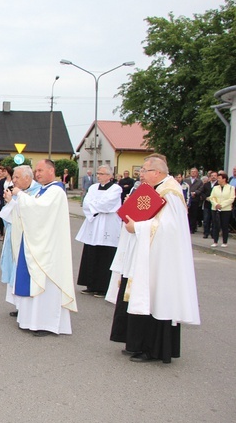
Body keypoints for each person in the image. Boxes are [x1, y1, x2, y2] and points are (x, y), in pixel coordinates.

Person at [107, 155, 200, 363]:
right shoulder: (155, 188)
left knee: (156, 299)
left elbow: (169, 227)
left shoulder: (170, 191)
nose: (141, 174)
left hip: (161, 260)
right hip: (147, 254)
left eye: (144, 170)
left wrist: (137, 227)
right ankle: (138, 343)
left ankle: (152, 349)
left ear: (156, 172)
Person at [3, 159, 77, 336]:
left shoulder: (56, 191)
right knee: (34, 281)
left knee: (47, 284)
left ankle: (47, 323)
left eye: (40, 170)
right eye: (36, 171)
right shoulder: (43, 191)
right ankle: (32, 320)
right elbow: (29, 211)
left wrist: (20, 195)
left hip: (49, 248)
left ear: (51, 171)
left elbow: (38, 210)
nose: (37, 174)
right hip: (37, 244)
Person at [0, 166, 41, 317]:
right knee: (13, 269)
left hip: (26, 237)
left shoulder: (37, 192)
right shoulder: (18, 191)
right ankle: (19, 304)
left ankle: (26, 306)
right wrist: (10, 201)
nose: (13, 180)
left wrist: (13, 201)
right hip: (14, 233)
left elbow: (30, 213)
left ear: (27, 178)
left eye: (16, 177)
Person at [75, 165, 122, 298]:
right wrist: (96, 206)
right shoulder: (93, 187)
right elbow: (86, 202)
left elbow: (108, 205)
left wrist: (95, 205)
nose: (99, 176)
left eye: (101, 173)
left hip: (108, 225)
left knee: (104, 255)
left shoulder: (116, 188)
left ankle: (102, 287)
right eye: (98, 173)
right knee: (91, 253)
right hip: (94, 224)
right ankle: (90, 285)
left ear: (109, 176)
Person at [207, 170, 235, 248]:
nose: (218, 179)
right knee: (215, 225)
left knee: (224, 225)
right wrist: (216, 204)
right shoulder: (215, 188)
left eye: (219, 178)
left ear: (224, 179)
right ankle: (215, 241)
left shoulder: (230, 188)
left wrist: (221, 205)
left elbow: (231, 198)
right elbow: (211, 197)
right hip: (215, 209)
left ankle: (225, 241)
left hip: (226, 209)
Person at [184, 168, 205, 234]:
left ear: (197, 173)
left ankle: (192, 228)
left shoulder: (199, 181)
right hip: (187, 199)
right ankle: (187, 228)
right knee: (187, 214)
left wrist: (195, 193)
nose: (193, 173)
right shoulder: (186, 180)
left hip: (195, 199)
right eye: (192, 172)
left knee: (194, 214)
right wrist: (189, 193)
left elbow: (201, 189)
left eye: (194, 172)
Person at [201, 171, 216, 239]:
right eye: (212, 175)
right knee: (206, 219)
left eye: (214, 176)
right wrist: (205, 198)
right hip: (207, 204)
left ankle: (213, 233)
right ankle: (206, 233)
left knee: (214, 220)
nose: (213, 177)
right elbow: (202, 192)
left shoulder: (218, 185)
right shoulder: (206, 184)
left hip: (214, 204)